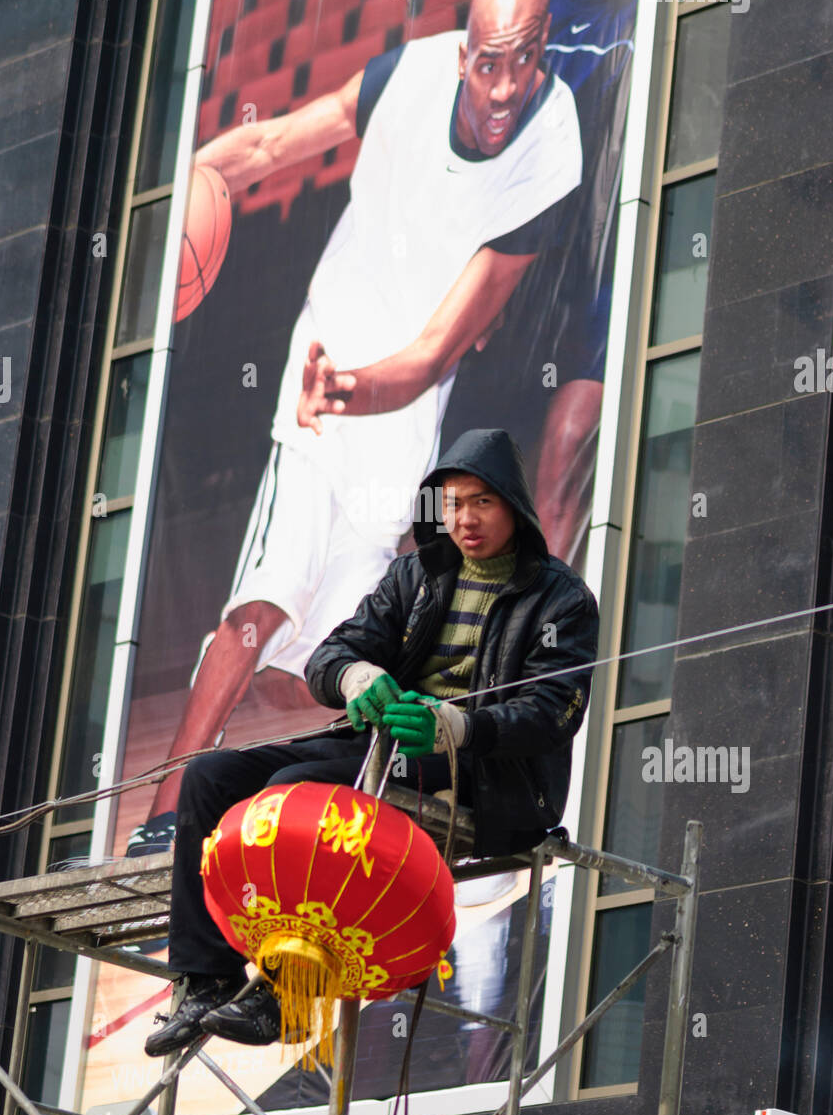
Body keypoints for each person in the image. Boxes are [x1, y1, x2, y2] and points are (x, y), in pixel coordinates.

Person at [129, 0, 583, 855]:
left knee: (325, 670)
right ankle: (161, 819)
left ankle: (313, 816)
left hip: (395, 415)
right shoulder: (405, 76)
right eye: (488, 62)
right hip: (316, 394)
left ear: (542, 55)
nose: (502, 86)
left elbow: (433, 354)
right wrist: (193, 180)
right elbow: (267, 146)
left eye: (522, 61)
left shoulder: (551, 149)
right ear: (461, 55)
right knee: (256, 607)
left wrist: (356, 388)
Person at [144, 427, 599, 1056]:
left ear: (514, 507)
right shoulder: (416, 574)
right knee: (209, 778)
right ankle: (205, 980)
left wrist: (459, 727)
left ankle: (286, 995)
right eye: (454, 502)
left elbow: (553, 713)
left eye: (483, 502)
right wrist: (357, 675)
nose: (465, 518)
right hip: (388, 750)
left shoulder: (562, 597)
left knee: (289, 794)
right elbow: (330, 655)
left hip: (495, 782)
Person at [441, 0, 650, 567]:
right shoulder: (528, 0)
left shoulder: (654, 3)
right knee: (457, 490)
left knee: (565, 449)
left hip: (599, 278)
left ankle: (553, 664)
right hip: (520, 271)